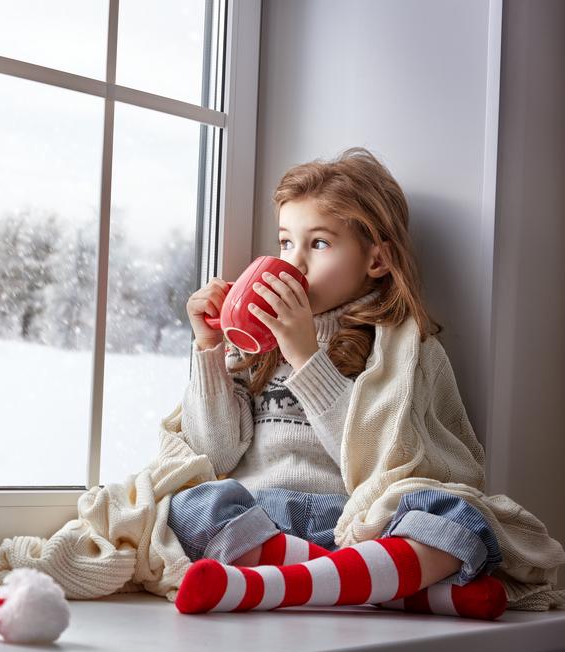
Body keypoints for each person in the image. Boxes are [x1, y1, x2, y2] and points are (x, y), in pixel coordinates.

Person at [168, 147, 508, 619]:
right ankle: (397, 589)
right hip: (262, 518)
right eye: (286, 242)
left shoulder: (402, 350)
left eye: (319, 244)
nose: (296, 263)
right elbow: (216, 452)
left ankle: (280, 584)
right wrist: (209, 350)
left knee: (458, 517)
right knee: (191, 506)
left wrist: (306, 355)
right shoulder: (256, 344)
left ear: (377, 260)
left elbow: (378, 460)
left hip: (355, 520)